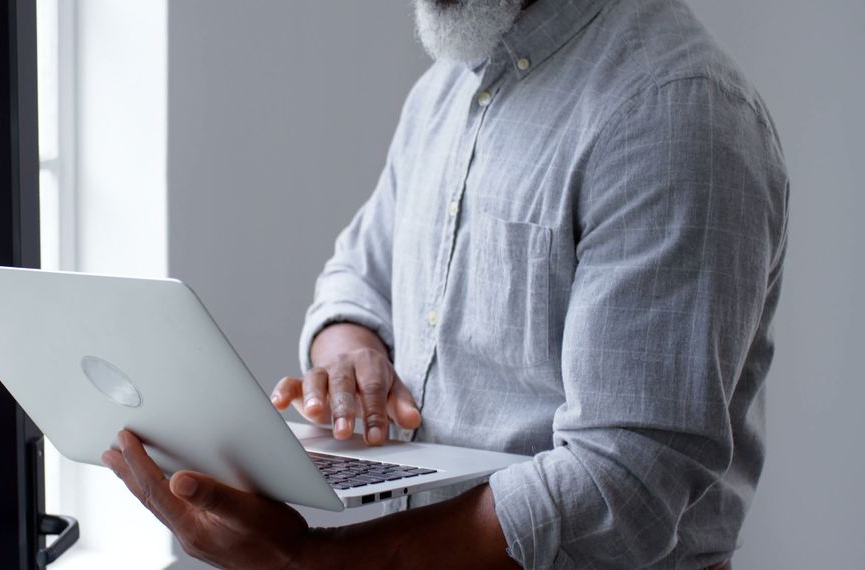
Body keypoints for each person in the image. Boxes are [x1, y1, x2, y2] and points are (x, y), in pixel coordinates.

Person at [101, 0, 788, 567]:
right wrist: (349, 356)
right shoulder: (446, 89)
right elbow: (358, 276)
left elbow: (625, 481)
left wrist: (317, 561)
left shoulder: (675, 112)